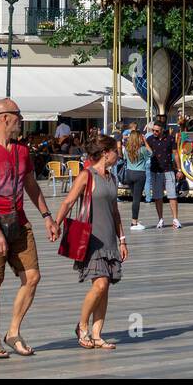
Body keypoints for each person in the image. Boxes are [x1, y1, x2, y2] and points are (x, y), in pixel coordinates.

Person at [0, 98, 56, 360]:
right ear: (4, 117)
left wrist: (47, 216)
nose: (21, 120)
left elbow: (31, 185)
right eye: (18, 116)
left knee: (32, 277)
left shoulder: (21, 151)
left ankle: (13, 332)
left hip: (19, 222)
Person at [55, 133, 128, 350]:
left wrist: (122, 240)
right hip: (91, 240)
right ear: (106, 153)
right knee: (100, 284)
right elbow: (68, 202)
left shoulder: (112, 178)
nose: (118, 154)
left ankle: (97, 334)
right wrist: (55, 223)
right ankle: (83, 325)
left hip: (109, 240)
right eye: (115, 150)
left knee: (105, 288)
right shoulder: (87, 175)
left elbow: (115, 212)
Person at [147, 120, 183, 229]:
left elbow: (175, 154)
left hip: (168, 170)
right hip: (156, 171)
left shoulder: (170, 139)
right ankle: (160, 219)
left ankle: (175, 219)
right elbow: (145, 151)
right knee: (158, 196)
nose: (155, 132)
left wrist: (179, 169)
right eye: (153, 130)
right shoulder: (150, 139)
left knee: (172, 195)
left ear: (162, 129)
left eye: (157, 130)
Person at [120, 130, 151, 231]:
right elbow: (151, 154)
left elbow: (124, 158)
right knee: (136, 199)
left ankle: (135, 220)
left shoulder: (127, 149)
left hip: (129, 173)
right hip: (139, 174)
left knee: (134, 198)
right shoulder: (142, 149)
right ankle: (134, 222)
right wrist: (145, 142)